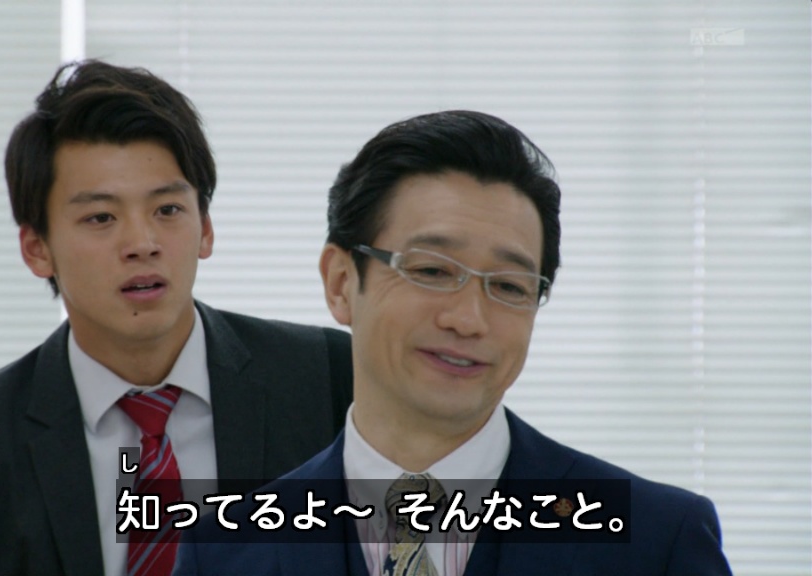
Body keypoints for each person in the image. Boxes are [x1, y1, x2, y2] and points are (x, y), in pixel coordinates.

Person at [173, 110, 732, 575]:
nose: (469, 319)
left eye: (509, 286)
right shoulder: (223, 549)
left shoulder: (656, 540)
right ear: (341, 283)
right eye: (432, 271)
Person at [0, 60, 353, 576]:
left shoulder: (333, 381)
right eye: (101, 217)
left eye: (167, 210)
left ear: (205, 228)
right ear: (37, 248)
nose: (142, 243)